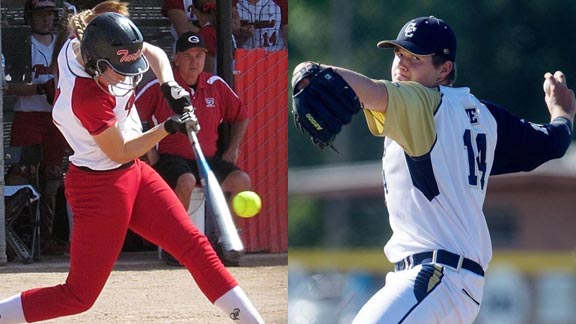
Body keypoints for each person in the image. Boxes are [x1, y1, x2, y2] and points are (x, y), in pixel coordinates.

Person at [292, 16, 576, 324]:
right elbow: (551, 143)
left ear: (444, 69)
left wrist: (312, 71)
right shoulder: (486, 116)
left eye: (415, 57)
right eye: (399, 54)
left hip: (435, 276)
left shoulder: (418, 101)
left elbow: (370, 90)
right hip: (448, 283)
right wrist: (562, 113)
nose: (402, 63)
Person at [0, 12, 264, 324]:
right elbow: (121, 150)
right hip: (99, 189)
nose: (128, 76)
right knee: (78, 296)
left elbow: (150, 53)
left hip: (133, 173)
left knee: (195, 246)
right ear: (95, 63)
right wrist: (168, 126)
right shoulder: (83, 98)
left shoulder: (95, 47)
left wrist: (169, 85)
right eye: (118, 70)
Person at [136, 31, 252, 265]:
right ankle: (174, 243)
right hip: (170, 159)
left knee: (241, 181)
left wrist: (232, 148)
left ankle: (226, 241)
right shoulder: (162, 86)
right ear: (176, 58)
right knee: (186, 181)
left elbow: (242, 115)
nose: (194, 61)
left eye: (199, 56)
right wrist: (148, 151)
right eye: (188, 56)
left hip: (207, 159)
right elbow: (130, 116)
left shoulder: (215, 85)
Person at [4, 0, 68, 254]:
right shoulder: (22, 43)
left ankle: (48, 238)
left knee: (52, 176)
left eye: (49, 15)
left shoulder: (63, 43)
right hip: (28, 113)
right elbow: (8, 86)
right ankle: (10, 236)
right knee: (22, 172)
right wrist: (41, 88)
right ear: (29, 18)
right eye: (40, 15)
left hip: (56, 116)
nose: (45, 20)